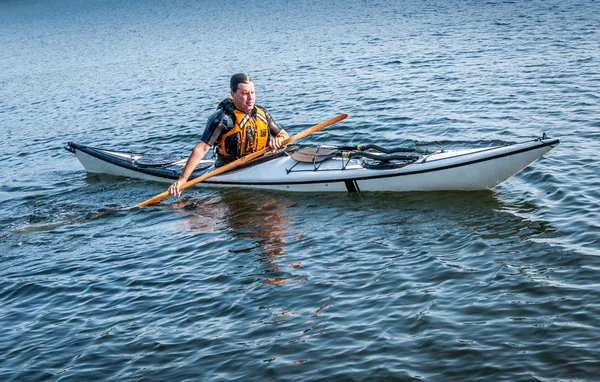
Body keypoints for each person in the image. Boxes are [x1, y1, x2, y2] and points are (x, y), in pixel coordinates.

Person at [168, 73, 289, 197]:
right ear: (233, 94)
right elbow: (202, 148)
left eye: (252, 93)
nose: (250, 98)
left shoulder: (262, 113)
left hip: (259, 163)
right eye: (245, 93)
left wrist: (279, 138)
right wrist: (183, 179)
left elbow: (284, 134)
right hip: (230, 169)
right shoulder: (222, 118)